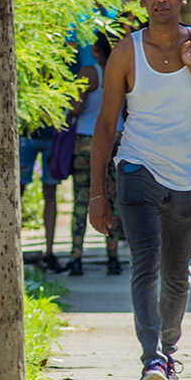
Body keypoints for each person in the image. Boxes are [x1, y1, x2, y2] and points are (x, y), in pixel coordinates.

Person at [90, 0, 191, 380]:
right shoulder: (126, 52)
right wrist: (98, 194)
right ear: (142, 1)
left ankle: (168, 352)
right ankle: (152, 358)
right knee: (146, 265)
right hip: (137, 168)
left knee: (177, 273)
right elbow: (105, 126)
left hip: (187, 176)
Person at [65, 33, 123, 276]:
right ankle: (113, 257)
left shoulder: (89, 73)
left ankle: (76, 256)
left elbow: (76, 108)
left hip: (86, 140)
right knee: (113, 198)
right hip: (117, 140)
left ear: (97, 50)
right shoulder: (123, 70)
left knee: (82, 198)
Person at [19, 126, 62, 272]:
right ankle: (13, 247)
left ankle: (49, 252)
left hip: (52, 136)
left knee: (50, 195)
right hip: (25, 135)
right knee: (16, 194)